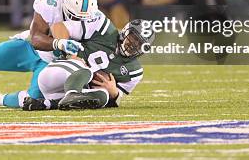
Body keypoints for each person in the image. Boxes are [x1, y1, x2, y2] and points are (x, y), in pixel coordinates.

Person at [24, 19, 155, 111]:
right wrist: (72, 56)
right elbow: (58, 26)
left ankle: (47, 104)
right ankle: (72, 93)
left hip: (61, 93)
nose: (133, 44)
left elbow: (115, 100)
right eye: (133, 38)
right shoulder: (103, 28)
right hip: (56, 75)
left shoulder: (135, 72)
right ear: (126, 31)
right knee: (85, 71)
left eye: (139, 43)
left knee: (103, 96)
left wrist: (114, 93)